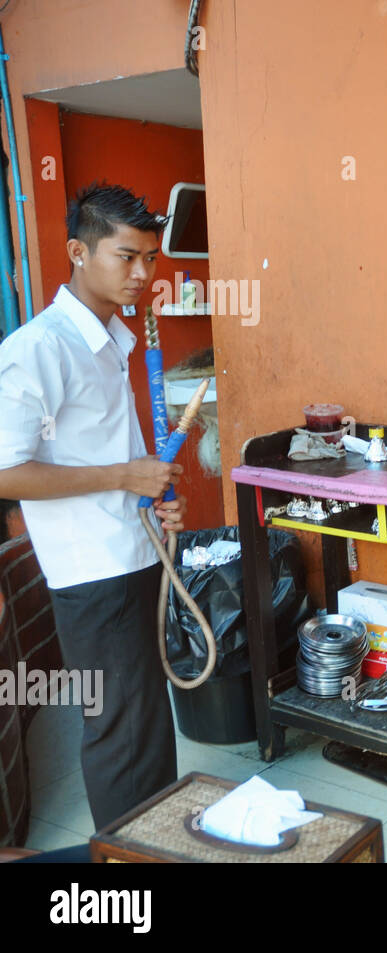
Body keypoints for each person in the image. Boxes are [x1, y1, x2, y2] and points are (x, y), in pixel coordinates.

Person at [0, 183, 187, 829]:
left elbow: (119, 463)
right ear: (79, 252)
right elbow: (5, 472)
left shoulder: (111, 340)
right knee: (120, 736)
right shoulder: (39, 346)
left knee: (146, 724)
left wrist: (151, 499)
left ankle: (151, 848)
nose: (142, 274)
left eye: (150, 260)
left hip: (132, 553)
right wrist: (122, 474)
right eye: (126, 256)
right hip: (92, 574)